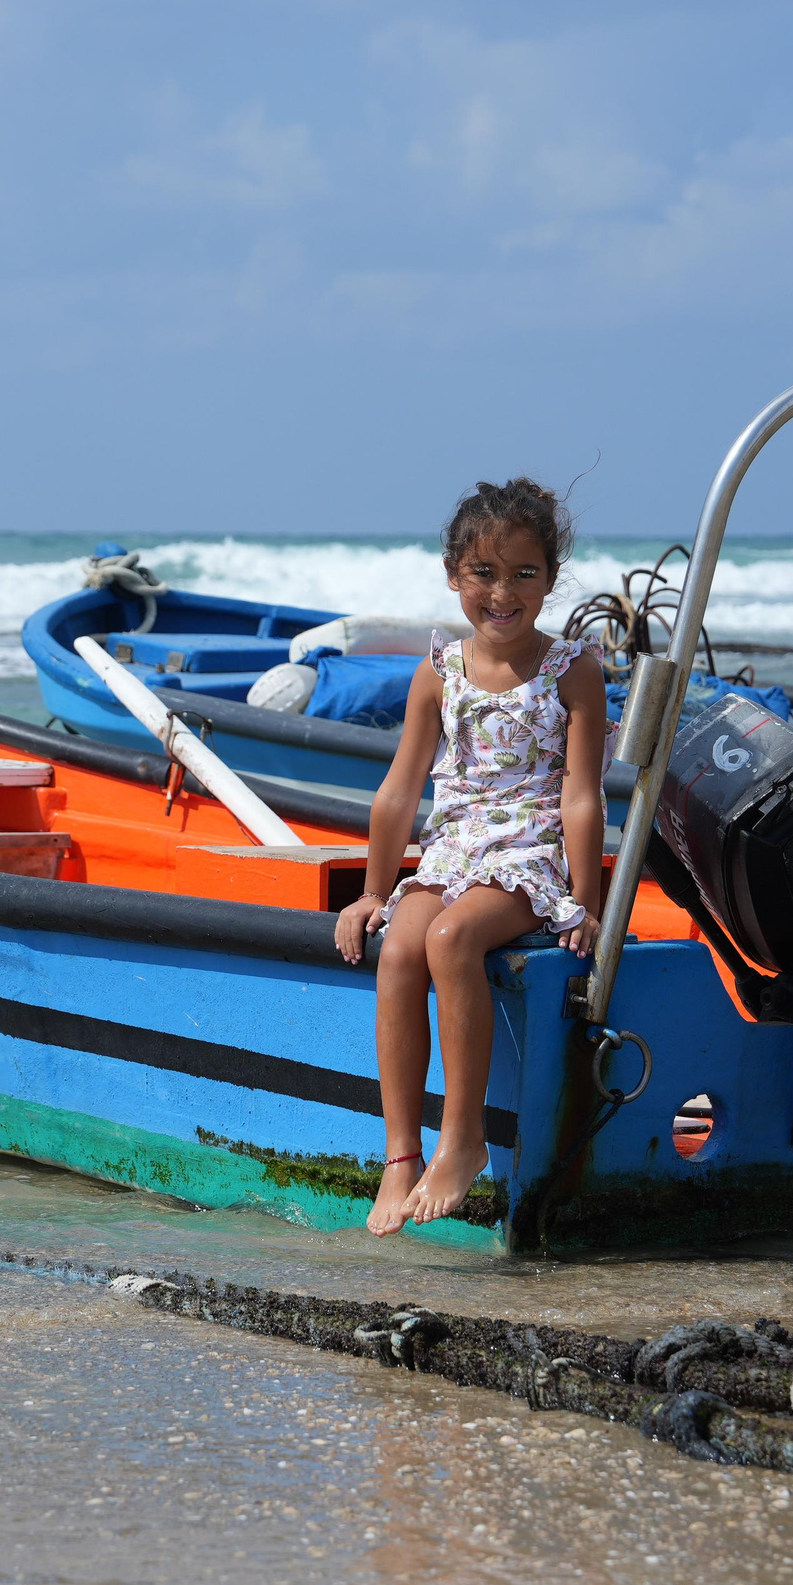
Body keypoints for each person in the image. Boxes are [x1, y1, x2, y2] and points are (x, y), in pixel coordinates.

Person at [332, 478, 607, 1235]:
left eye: (524, 573)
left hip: (528, 856)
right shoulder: (439, 671)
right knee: (400, 948)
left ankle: (464, 1139)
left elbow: (583, 794)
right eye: (483, 573)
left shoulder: (572, 670)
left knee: (452, 939)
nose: (502, 592)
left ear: (551, 580)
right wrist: (371, 892)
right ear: (454, 576)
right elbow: (399, 791)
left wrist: (586, 899)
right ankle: (400, 1155)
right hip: (454, 849)